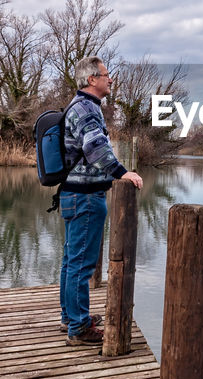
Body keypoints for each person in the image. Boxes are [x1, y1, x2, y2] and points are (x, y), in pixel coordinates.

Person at [59, 56, 143, 346]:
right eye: (107, 75)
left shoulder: (80, 106)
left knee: (72, 261)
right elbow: (95, 149)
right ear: (92, 79)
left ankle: (71, 317)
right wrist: (123, 172)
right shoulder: (86, 109)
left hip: (74, 195)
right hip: (84, 197)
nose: (111, 80)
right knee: (81, 265)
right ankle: (79, 329)